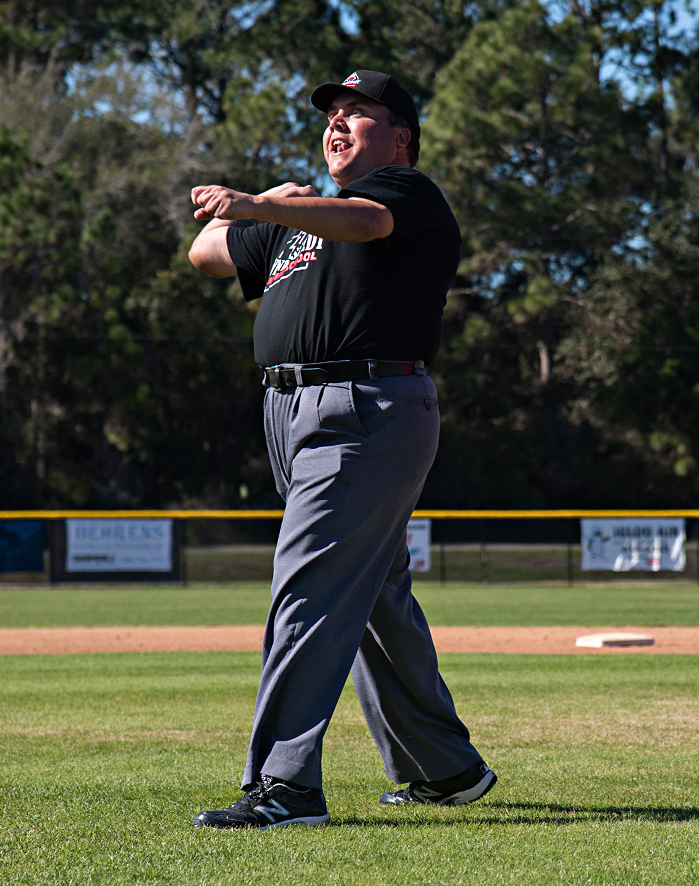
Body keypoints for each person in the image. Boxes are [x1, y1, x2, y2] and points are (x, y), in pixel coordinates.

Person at [186, 69, 496, 829]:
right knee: (372, 602)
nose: (338, 124)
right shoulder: (299, 218)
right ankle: (445, 768)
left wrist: (262, 203)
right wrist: (274, 203)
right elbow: (207, 253)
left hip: (367, 406)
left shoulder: (405, 194)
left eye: (358, 114)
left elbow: (364, 225)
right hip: (291, 412)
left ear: (400, 139)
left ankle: (286, 787)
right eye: (332, 115)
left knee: (310, 587)